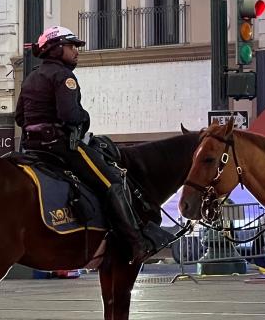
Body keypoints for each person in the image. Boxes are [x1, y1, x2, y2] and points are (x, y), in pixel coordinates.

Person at [14, 25, 173, 265]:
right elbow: (69, 115)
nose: (76, 51)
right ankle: (137, 243)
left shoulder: (31, 77)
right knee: (113, 181)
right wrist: (84, 116)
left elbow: (19, 118)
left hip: (32, 148)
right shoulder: (64, 76)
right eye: (72, 46)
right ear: (56, 50)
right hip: (61, 146)